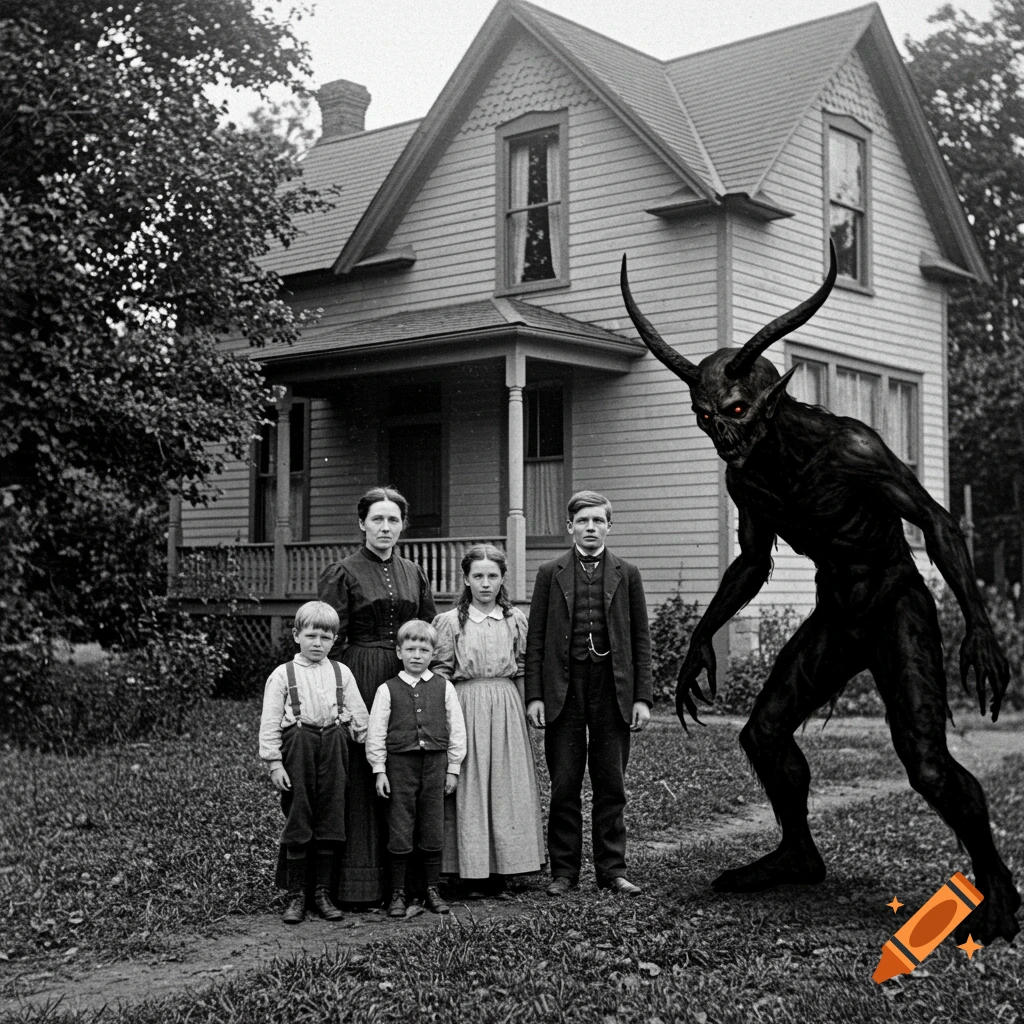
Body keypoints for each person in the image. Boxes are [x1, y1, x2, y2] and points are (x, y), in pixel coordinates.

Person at [525, 490, 653, 896]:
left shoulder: (627, 573)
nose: (591, 528)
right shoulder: (550, 572)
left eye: (598, 521)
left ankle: (612, 870)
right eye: (583, 521)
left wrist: (641, 698)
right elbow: (537, 639)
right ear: (570, 527)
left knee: (610, 783)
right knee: (564, 783)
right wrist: (535, 696)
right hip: (564, 688)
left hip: (612, 688)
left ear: (609, 526)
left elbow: (641, 639)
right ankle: (564, 873)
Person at [318, 487, 436, 905]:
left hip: (407, 677)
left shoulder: (413, 571)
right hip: (360, 674)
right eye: (377, 519)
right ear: (362, 524)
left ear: (403, 525)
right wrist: (339, 693)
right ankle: (358, 883)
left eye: (393, 520)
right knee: (363, 772)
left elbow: (425, 631)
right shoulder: (343, 572)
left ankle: (405, 883)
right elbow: (328, 639)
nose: (385, 527)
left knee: (403, 770)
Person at [431, 544, 545, 892]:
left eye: (492, 576)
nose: (485, 583)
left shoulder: (514, 620)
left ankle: (506, 866)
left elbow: (524, 667)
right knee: (469, 785)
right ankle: (467, 866)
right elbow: (441, 672)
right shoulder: (450, 622)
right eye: (477, 576)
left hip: (507, 705)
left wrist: (528, 705)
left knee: (506, 784)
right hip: (466, 705)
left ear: (502, 579)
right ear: (466, 579)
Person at [258, 600, 369, 925]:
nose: (318, 643)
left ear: (334, 640)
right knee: (300, 814)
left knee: (332, 815)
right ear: (296, 635)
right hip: (298, 749)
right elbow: (269, 722)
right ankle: (297, 895)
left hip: (335, 747)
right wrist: (274, 762)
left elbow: (360, 717)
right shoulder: (282, 675)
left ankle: (322, 892)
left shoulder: (340, 672)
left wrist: (369, 741)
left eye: (325, 637)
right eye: (311, 636)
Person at [365, 619, 467, 918]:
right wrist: (379, 769)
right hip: (400, 766)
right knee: (400, 825)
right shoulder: (387, 689)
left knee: (432, 826)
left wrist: (453, 767)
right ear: (399, 651)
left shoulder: (444, 687)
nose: (417, 655)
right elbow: (376, 732)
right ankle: (398, 892)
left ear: (433, 653)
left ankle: (431, 889)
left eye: (424, 649)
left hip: (435, 765)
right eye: (410, 649)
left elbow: (456, 728)